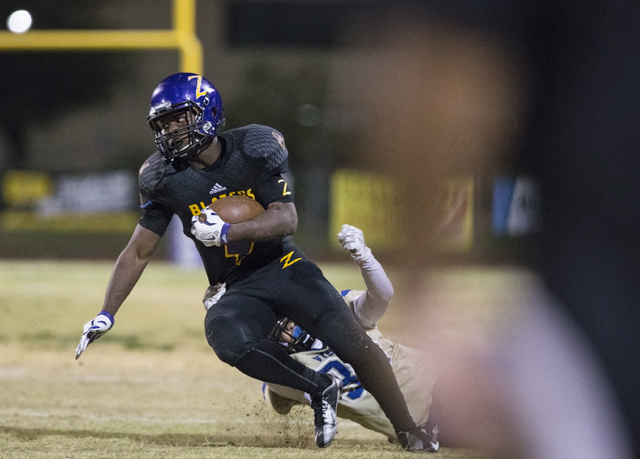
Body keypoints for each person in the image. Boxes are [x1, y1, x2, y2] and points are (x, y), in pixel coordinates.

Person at [74, 72, 436, 452]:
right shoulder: (163, 177)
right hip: (237, 286)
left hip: (283, 267)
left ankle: (407, 427)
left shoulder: (253, 147)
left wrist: (230, 233)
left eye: (179, 118)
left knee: (354, 345)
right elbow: (138, 250)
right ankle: (319, 388)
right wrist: (107, 312)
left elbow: (286, 218)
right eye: (163, 123)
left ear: (208, 111)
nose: (171, 130)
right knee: (226, 338)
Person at [259, 224, 440, 447]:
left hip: (439, 380)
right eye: (282, 331)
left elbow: (382, 296)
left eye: (291, 320)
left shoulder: (332, 311)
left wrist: (365, 257)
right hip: (425, 421)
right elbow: (277, 397)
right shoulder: (285, 368)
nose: (292, 329)